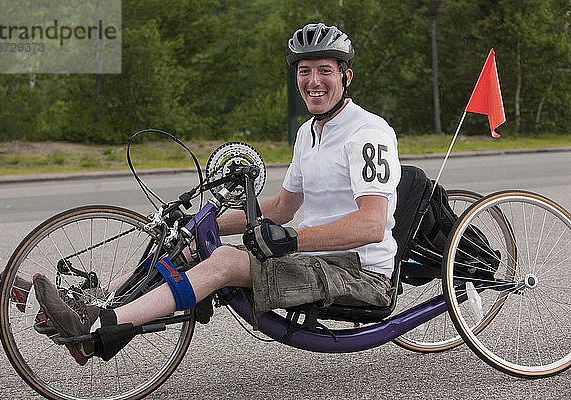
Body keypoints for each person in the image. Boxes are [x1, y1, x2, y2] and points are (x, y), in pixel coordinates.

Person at [31, 22, 402, 365]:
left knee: (224, 263)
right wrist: (197, 226)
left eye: (325, 71)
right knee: (187, 249)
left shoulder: (368, 133)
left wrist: (290, 241)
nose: (313, 81)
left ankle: (96, 327)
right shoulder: (309, 133)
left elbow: (371, 225)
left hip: (359, 274)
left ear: (345, 77)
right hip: (317, 261)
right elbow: (281, 207)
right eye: (304, 71)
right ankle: (91, 309)